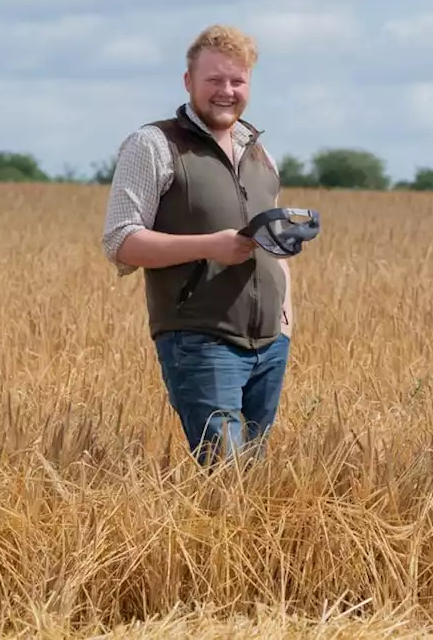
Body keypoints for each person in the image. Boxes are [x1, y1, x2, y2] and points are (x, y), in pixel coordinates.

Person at [101, 24, 295, 466]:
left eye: (237, 81)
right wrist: (212, 245)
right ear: (189, 82)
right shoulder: (153, 144)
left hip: (269, 342)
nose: (226, 91)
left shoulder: (260, 152)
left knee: (253, 473)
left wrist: (287, 315)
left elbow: (274, 243)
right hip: (201, 340)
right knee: (224, 474)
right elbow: (120, 240)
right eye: (214, 80)